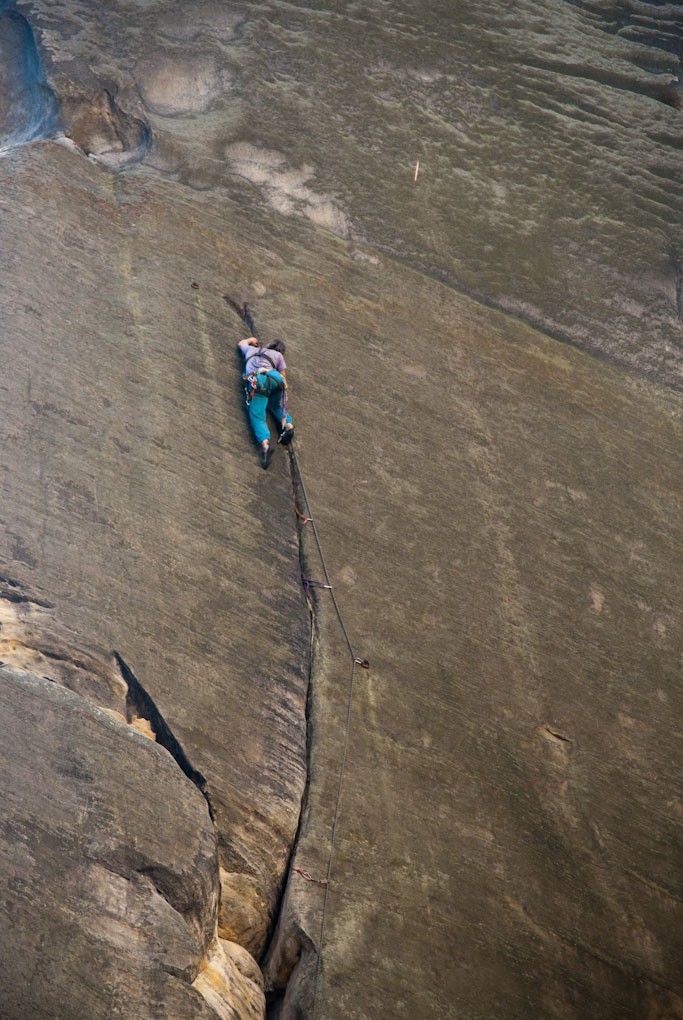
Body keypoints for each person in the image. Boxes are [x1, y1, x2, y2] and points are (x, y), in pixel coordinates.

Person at [238, 336, 295, 468]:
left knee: (257, 415)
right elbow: (283, 378)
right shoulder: (278, 356)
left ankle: (265, 445)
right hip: (275, 378)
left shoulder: (251, 350)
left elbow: (241, 343)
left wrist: (251, 340)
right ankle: (288, 426)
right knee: (276, 406)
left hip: (257, 379)